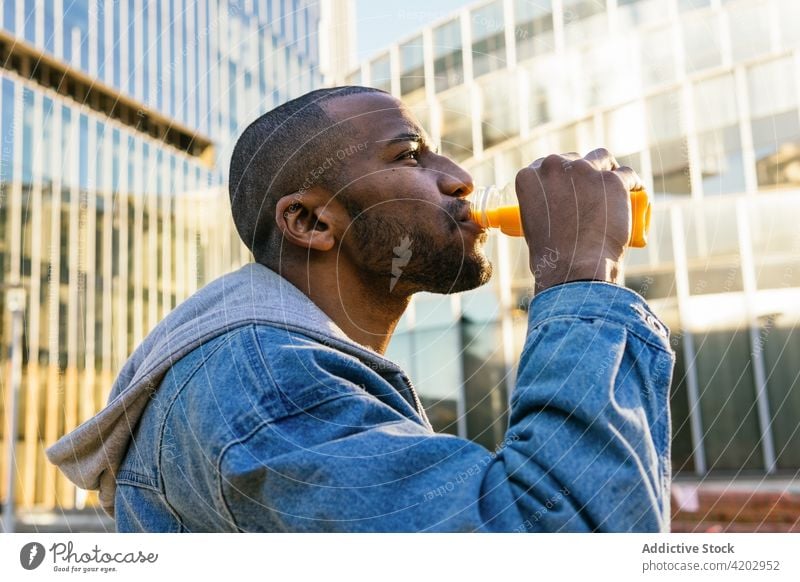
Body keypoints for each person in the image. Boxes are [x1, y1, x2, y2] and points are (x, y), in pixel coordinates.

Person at [47, 86, 675, 532]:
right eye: (409, 155)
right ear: (312, 221)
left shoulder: (277, 370)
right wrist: (583, 275)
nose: (458, 177)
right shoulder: (265, 385)